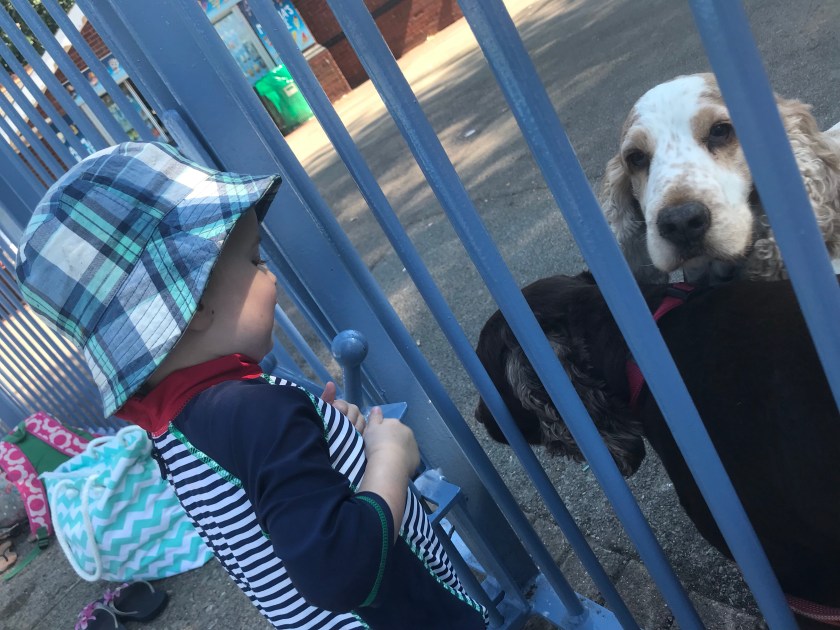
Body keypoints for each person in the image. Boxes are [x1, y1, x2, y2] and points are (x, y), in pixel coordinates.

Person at [15, 142, 487, 629]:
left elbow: (264, 509)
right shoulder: (258, 413)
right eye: (255, 260)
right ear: (193, 304)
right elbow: (339, 570)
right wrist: (390, 459)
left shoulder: (179, 426)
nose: (271, 276)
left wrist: (329, 441)